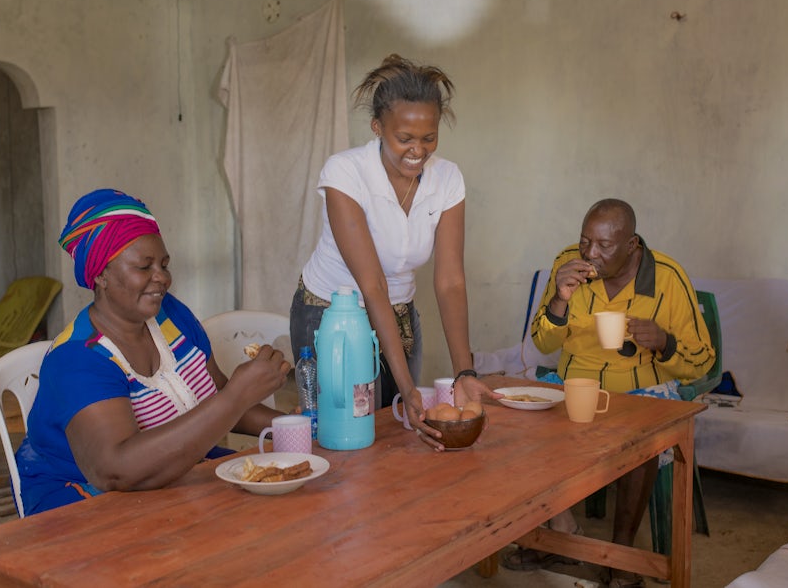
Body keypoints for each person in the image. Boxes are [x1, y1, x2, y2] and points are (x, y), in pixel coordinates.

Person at [16, 189, 291, 515]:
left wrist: (295, 425)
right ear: (101, 274)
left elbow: (215, 394)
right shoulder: (78, 359)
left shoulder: (170, 315)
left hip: (169, 473)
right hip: (83, 501)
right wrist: (237, 396)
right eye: (144, 267)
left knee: (281, 504)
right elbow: (115, 470)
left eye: (164, 264)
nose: (162, 278)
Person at [503, 198, 715, 588]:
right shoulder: (568, 263)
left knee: (641, 440)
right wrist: (560, 299)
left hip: (640, 388)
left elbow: (702, 361)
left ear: (632, 244)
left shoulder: (668, 276)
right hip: (574, 383)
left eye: (604, 246)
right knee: (524, 426)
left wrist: (665, 342)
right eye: (585, 241)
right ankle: (556, 531)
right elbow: (542, 341)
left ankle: (621, 556)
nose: (590, 254)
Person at [290, 54, 498, 450]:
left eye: (429, 137)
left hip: (399, 313)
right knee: (343, 432)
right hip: (328, 315)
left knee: (396, 430)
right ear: (377, 128)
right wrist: (406, 387)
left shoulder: (448, 179)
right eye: (405, 138)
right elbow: (372, 286)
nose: (418, 151)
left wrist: (464, 372)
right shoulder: (345, 173)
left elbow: (450, 280)